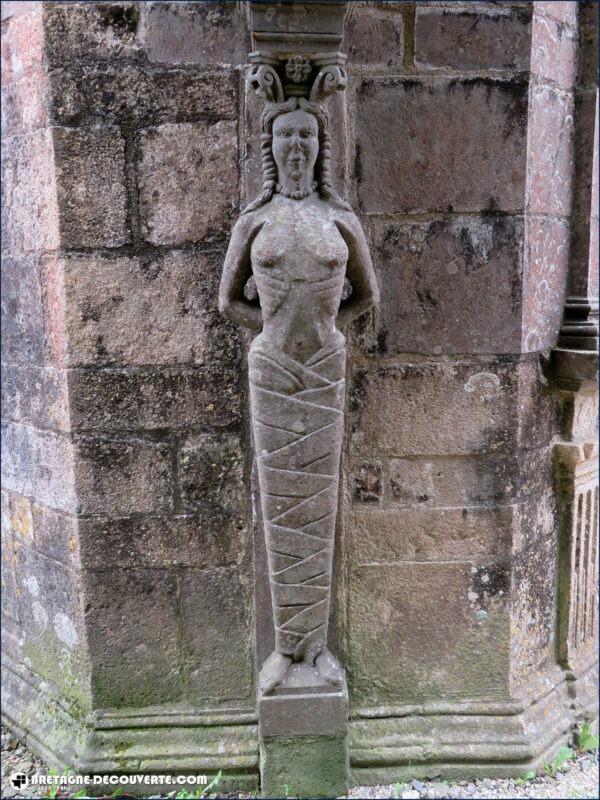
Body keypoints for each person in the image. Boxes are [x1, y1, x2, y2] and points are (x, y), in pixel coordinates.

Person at [219, 96, 379, 695]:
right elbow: (227, 300)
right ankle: (286, 651)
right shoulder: (254, 222)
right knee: (282, 500)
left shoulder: (340, 221)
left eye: (305, 136)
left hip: (323, 368)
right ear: (271, 147)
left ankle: (316, 650)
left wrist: (326, 334)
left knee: (317, 504)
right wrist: (270, 330)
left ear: (319, 148)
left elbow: (366, 296)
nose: (294, 146)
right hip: (273, 370)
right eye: (284, 135)